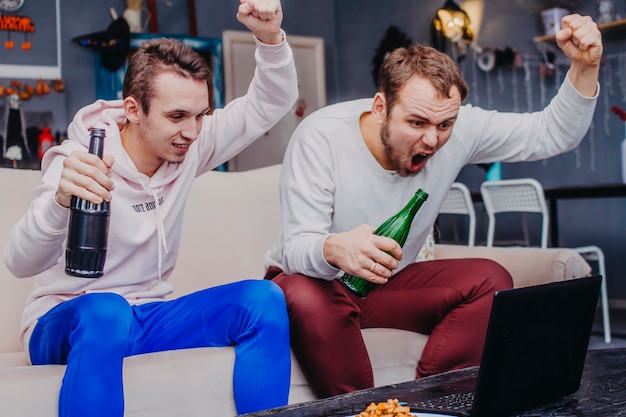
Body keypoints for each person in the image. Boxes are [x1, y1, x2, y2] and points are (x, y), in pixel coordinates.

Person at [265, 13, 602, 398]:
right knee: (304, 292)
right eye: (417, 122)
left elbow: (551, 133)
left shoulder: (456, 131)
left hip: (385, 286)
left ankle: (433, 401)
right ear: (380, 108)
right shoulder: (321, 135)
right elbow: (295, 247)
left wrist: (585, 65)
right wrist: (333, 247)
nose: (432, 140)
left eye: (445, 125)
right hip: (316, 282)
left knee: (491, 279)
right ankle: (369, 410)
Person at [3, 1, 298, 416]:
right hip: (67, 323)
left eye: (201, 115)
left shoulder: (189, 144)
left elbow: (268, 104)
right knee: (107, 311)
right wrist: (58, 204)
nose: (193, 131)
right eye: (178, 116)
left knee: (264, 299)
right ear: (133, 110)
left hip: (148, 316)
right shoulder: (80, 159)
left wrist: (269, 39)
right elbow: (18, 260)